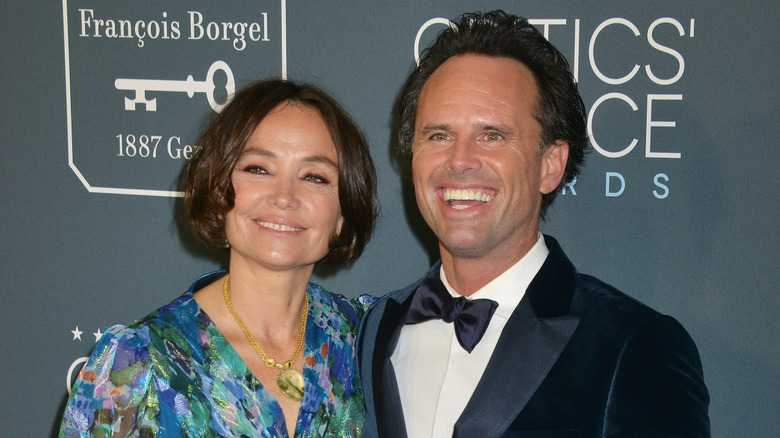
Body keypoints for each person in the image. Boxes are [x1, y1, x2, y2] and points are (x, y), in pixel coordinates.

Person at [357, 10, 710, 438]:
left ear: (551, 164)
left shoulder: (634, 345)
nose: (460, 160)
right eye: (438, 135)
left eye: (492, 135)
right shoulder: (377, 326)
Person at [60, 79, 378, 437]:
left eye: (314, 176)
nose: (284, 196)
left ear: (343, 213)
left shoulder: (367, 339)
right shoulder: (135, 365)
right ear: (218, 191)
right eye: (258, 168)